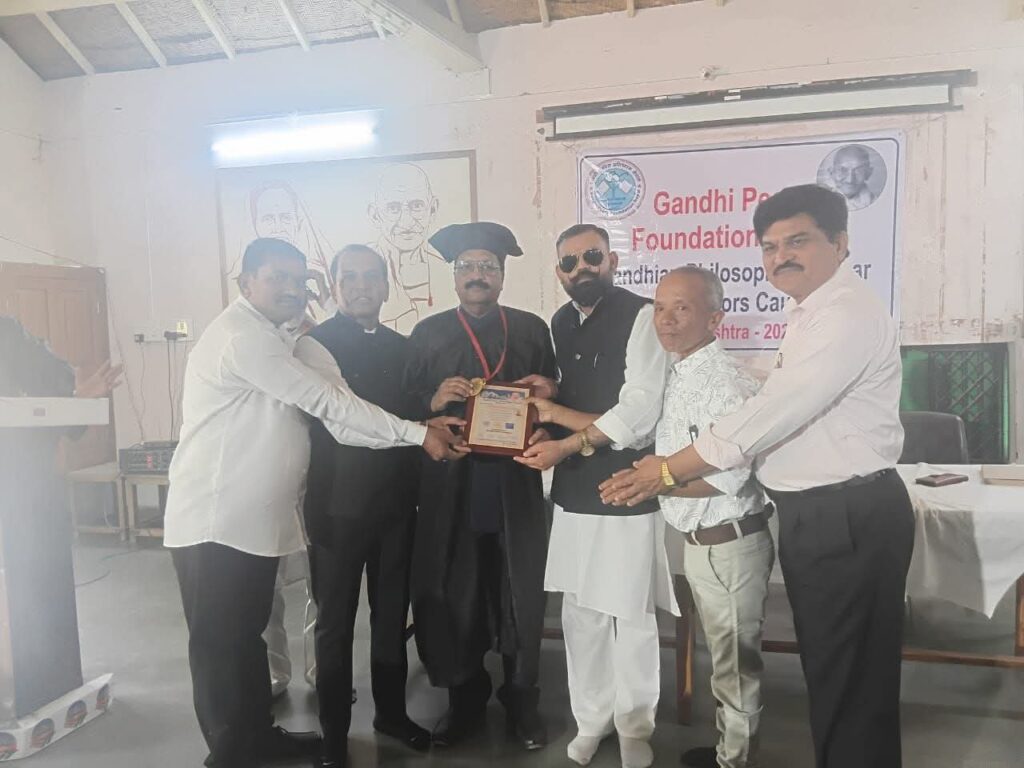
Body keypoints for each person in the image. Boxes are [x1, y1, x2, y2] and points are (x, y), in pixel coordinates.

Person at [599, 185, 913, 768]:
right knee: (836, 674)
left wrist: (664, 471)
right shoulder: (812, 312)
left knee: (849, 679)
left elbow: (765, 417)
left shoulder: (844, 315)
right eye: (770, 246)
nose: (781, 256)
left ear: (840, 243)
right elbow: (781, 381)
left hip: (844, 513)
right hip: (820, 514)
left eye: (798, 241)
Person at [163, 237, 466, 768]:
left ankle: (258, 738)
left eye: (297, 279)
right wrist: (420, 435)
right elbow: (326, 401)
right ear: (247, 283)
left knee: (247, 640)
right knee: (220, 645)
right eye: (275, 277)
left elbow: (342, 415)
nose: (289, 288)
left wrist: (420, 428)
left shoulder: (289, 341)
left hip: (258, 523)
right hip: (215, 520)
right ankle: (232, 754)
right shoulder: (243, 338)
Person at [514, 224, 674, 768]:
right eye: (568, 262)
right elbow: (580, 389)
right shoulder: (562, 321)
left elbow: (640, 411)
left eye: (591, 257)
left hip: (627, 483)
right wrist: (549, 395)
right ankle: (592, 719)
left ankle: (635, 726)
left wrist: (562, 431)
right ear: (558, 272)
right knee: (581, 613)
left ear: (612, 260)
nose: (581, 268)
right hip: (573, 490)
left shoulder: (642, 316)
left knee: (630, 614)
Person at [404, 221, 557, 750]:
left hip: (515, 484)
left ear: (502, 274)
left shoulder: (531, 329)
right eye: (466, 266)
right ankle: (465, 698)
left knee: (519, 592)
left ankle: (521, 699)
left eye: (487, 266)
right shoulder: (427, 334)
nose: (477, 275)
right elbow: (402, 409)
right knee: (456, 591)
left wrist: (547, 403)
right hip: (453, 485)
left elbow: (553, 397)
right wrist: (430, 401)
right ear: (454, 275)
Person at [295, 245, 430, 768]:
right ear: (333, 286)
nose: (360, 286)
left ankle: (391, 714)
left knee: (391, 616)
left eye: (371, 276)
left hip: (397, 505)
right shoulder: (313, 346)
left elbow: (416, 415)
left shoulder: (404, 347)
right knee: (335, 624)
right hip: (336, 507)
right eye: (348, 277)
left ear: (386, 284)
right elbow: (343, 418)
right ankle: (334, 732)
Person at [649, 267, 772, 768]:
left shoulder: (724, 382)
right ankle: (729, 750)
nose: (666, 320)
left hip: (728, 544)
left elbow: (731, 476)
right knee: (725, 661)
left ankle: (735, 761)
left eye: (682, 308)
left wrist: (653, 481)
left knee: (736, 668)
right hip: (705, 543)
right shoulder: (681, 372)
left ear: (716, 318)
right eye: (659, 308)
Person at [367, 163, 451, 333]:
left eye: (417, 206)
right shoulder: (361, 270)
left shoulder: (445, 270)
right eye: (393, 208)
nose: (406, 222)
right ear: (375, 215)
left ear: (432, 209)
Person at [824, 145, 877, 210]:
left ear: (868, 173)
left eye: (858, 171)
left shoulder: (876, 204)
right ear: (831, 172)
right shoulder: (820, 200)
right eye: (843, 170)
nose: (850, 180)